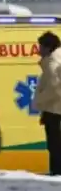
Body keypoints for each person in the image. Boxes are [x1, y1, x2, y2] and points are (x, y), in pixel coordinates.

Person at [34, 31, 61, 175]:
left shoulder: (52, 64)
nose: (38, 50)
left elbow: (54, 89)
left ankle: (56, 173)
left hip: (54, 111)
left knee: (54, 145)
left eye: (40, 46)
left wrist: (39, 101)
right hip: (53, 109)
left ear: (48, 47)